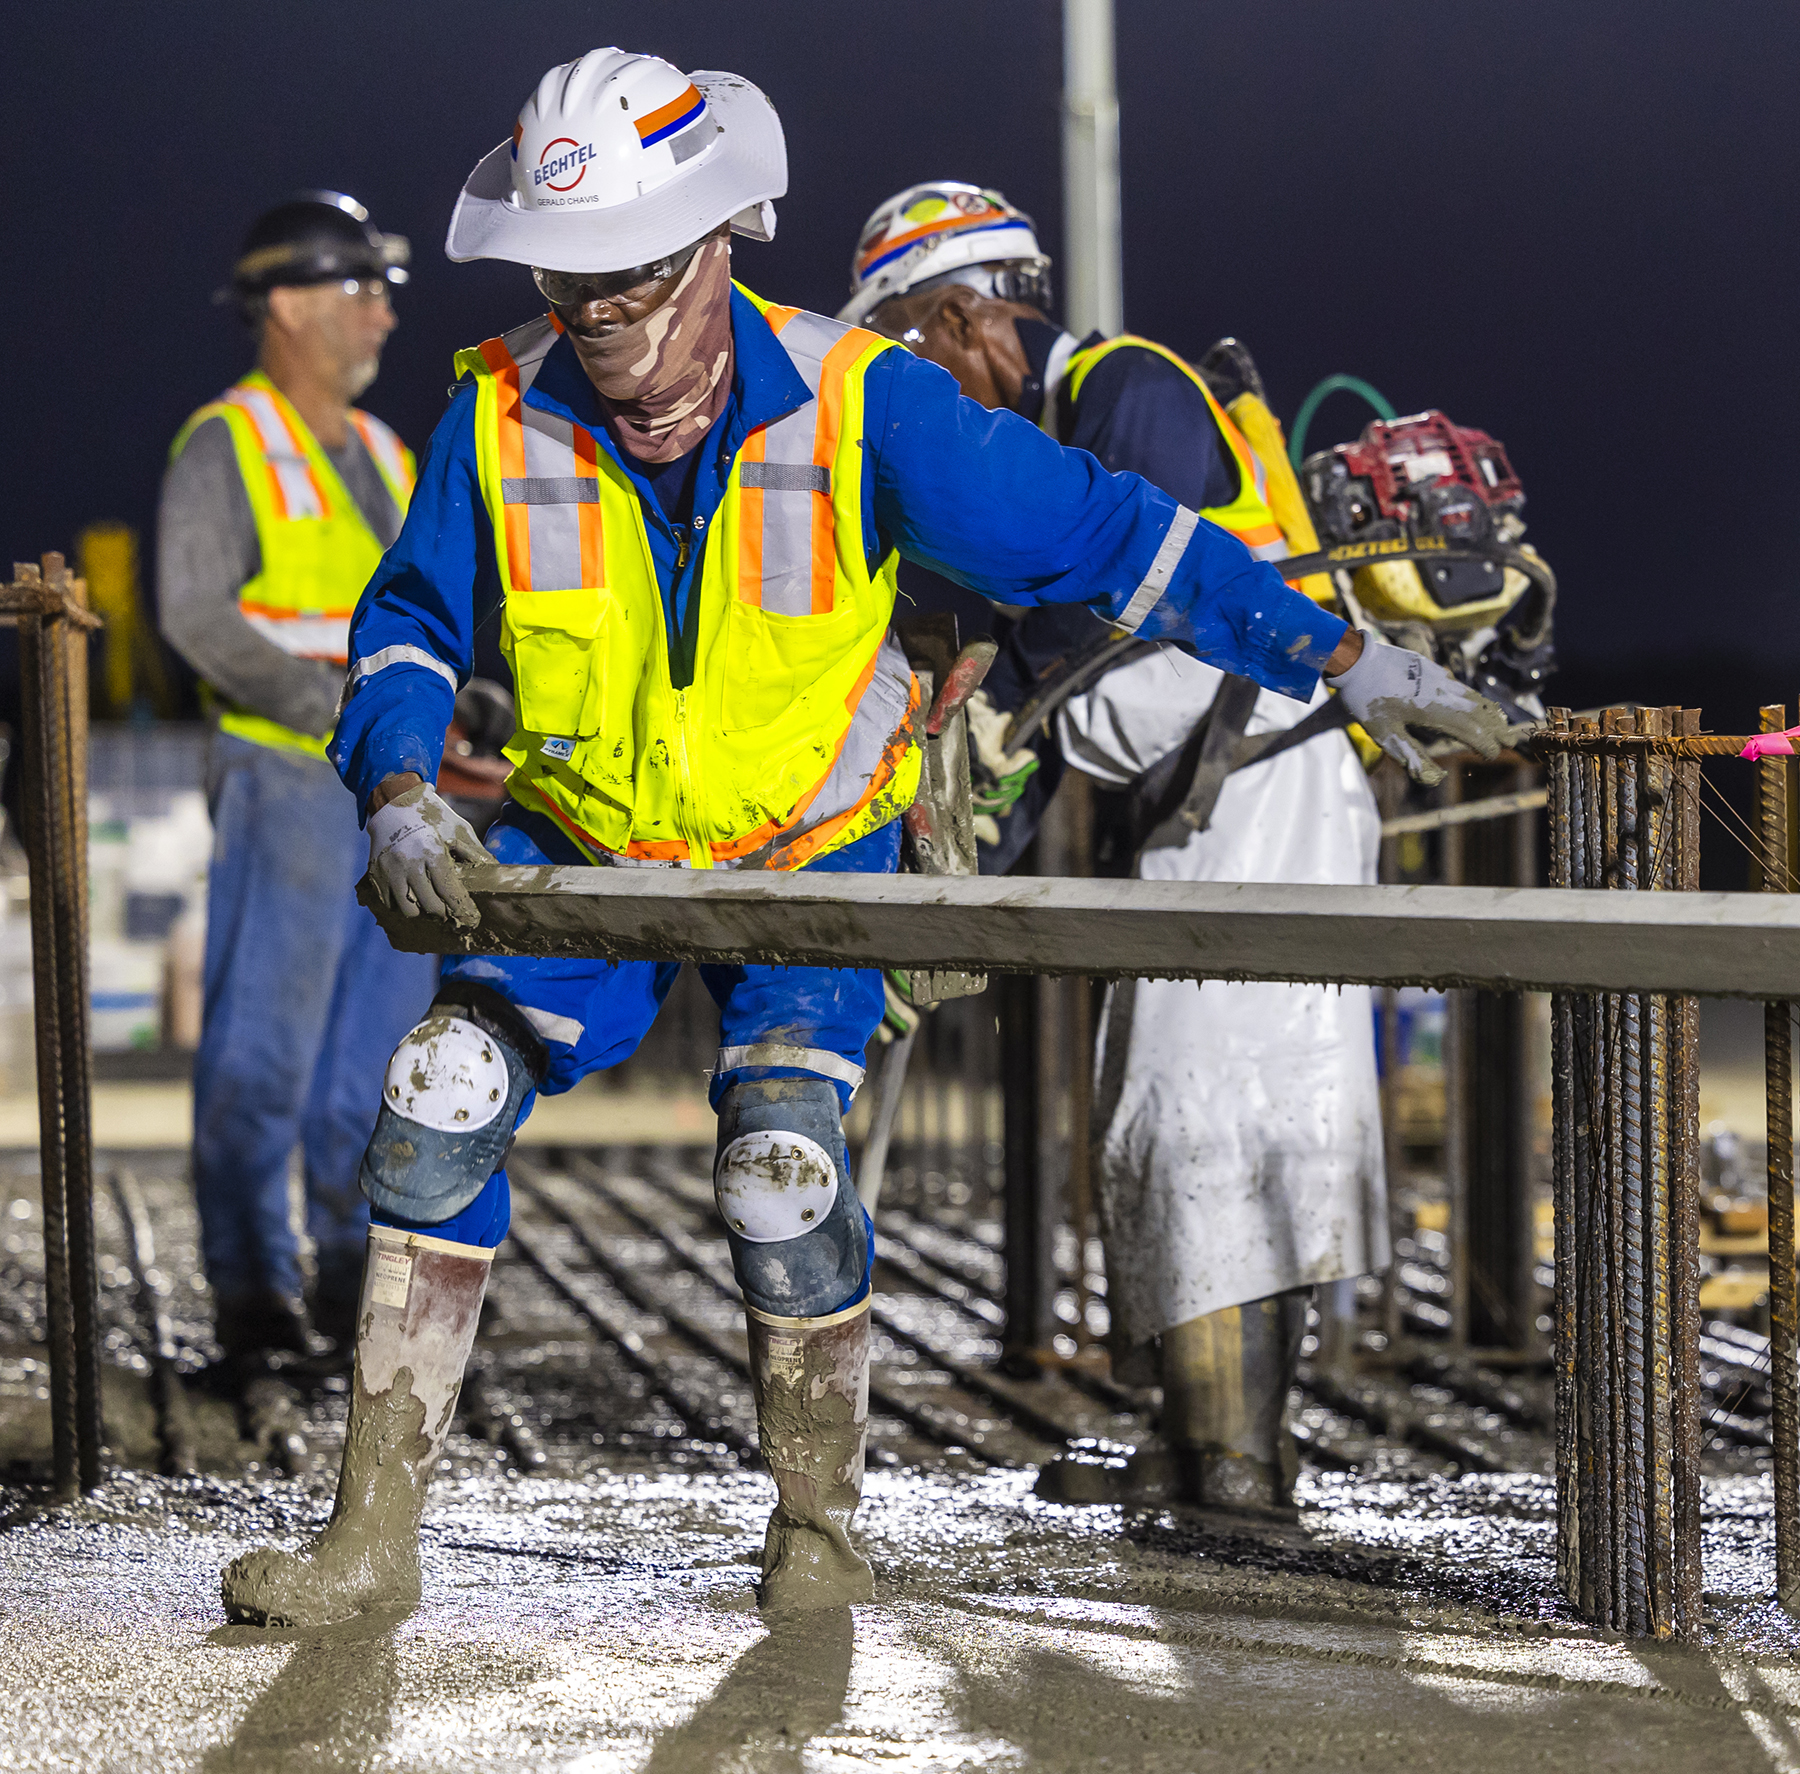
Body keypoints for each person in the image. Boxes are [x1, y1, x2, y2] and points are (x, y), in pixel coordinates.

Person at [219, 51, 1505, 1629]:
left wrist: (1344, 657)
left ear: (713, 246)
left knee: (781, 1167)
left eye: (624, 284)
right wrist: (401, 782)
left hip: (809, 864)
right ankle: (371, 1542)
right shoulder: (497, 405)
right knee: (439, 1091)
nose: (596, 322)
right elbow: (412, 619)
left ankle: (816, 1531)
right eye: (569, 285)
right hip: (591, 847)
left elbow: (1117, 536)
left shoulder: (864, 402)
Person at [840, 183, 1390, 1516]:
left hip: (1268, 783)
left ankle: (1242, 1470)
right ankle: (1198, 1439)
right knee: (1164, 1114)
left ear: (970, 314)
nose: (904, 386)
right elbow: (1045, 696)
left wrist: (984, 706)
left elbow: (1107, 608)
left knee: (1218, 1115)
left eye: (905, 345)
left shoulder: (1127, 389)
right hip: (1206, 801)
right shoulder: (1040, 438)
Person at [158, 193, 439, 1380]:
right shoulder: (228, 440)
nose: (382, 310)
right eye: (358, 285)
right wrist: (341, 711)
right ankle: (250, 1284)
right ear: (284, 304)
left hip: (387, 791)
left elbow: (422, 612)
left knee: (378, 1052)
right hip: (285, 776)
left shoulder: (383, 449)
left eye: (385, 288)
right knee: (263, 1048)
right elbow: (193, 614)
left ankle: (344, 1263)